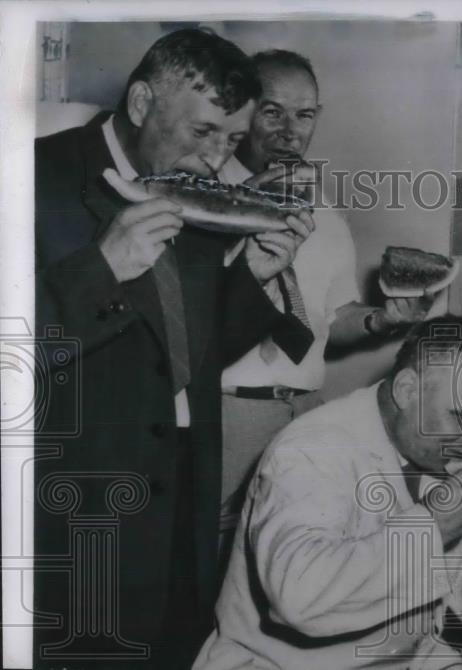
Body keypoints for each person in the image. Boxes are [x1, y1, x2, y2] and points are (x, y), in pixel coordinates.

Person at [34, 29, 313, 669]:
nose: (216, 159)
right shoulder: (30, 176)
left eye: (233, 141)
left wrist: (254, 277)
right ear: (139, 103)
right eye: (203, 132)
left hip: (182, 504)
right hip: (79, 515)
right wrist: (102, 268)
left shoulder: (183, 186)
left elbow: (190, 353)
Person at [194, 317, 462, 670]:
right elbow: (298, 598)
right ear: (406, 390)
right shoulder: (310, 450)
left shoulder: (426, 446)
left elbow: (448, 554)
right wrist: (430, 529)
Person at [214, 49, 436, 554]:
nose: (290, 129)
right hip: (226, 411)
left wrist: (380, 320)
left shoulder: (329, 218)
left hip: (304, 411)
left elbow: (329, 322)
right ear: (242, 110)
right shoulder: (205, 199)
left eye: (305, 114)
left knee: (290, 554)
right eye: (273, 111)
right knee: (207, 555)